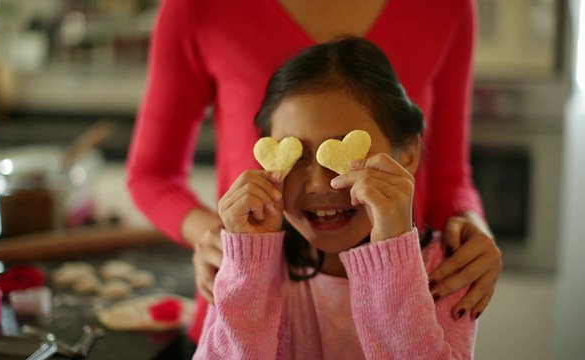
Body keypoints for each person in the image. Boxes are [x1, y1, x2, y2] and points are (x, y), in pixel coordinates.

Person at [127, 0, 501, 345]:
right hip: (251, 296)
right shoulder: (198, 7)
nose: (322, 181)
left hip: (410, 299)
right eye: (298, 155)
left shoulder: (446, 8)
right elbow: (151, 174)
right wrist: (220, 242)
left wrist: (470, 227)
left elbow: (450, 175)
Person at [193, 36, 477, 359]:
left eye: (343, 151)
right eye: (296, 156)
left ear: (408, 153)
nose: (318, 185)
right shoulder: (245, 270)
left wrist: (393, 254)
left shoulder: (449, 271)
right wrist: (247, 266)